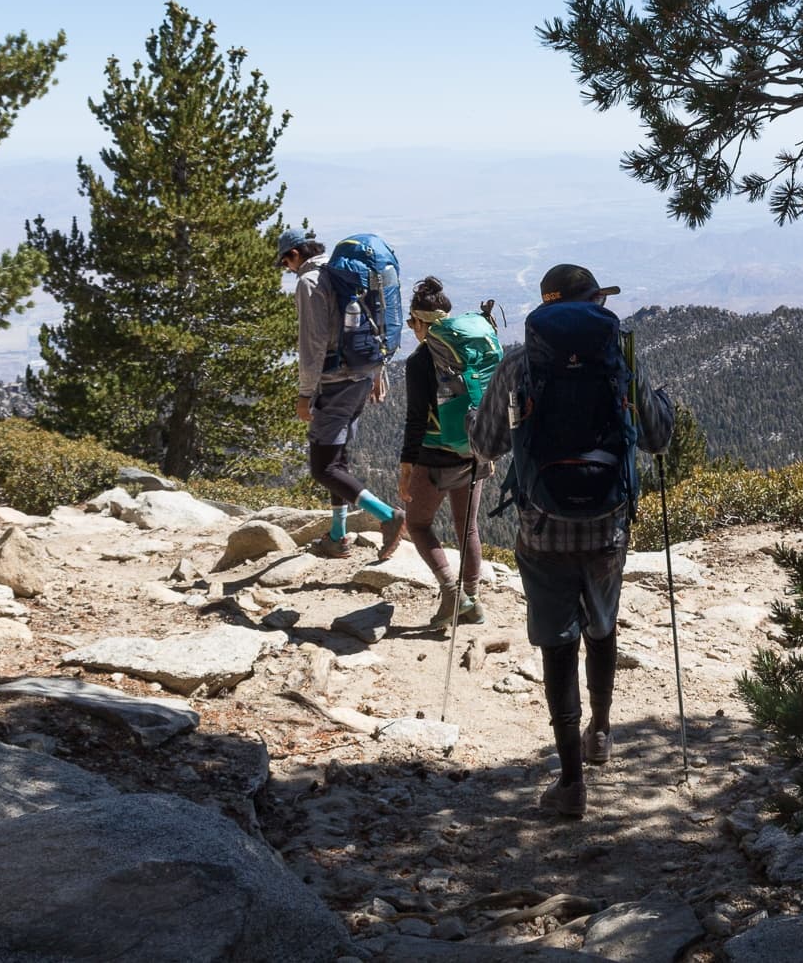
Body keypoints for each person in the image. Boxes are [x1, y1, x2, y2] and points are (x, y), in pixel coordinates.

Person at [468, 263, 673, 819]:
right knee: (601, 624)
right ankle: (601, 730)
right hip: (607, 524)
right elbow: (657, 438)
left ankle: (570, 783)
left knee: (557, 644)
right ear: (589, 304)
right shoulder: (621, 360)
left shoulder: (519, 363)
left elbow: (484, 444)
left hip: (540, 526)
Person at [278, 226, 405, 558]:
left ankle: (388, 517)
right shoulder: (344, 272)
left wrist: (306, 393)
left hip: (336, 381)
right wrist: (378, 372)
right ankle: (338, 536)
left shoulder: (310, 282)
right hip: (361, 375)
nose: (287, 271)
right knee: (339, 459)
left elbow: (313, 343)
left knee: (324, 467)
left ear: (294, 255)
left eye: (285, 264)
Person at [400, 277, 499, 633]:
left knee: (418, 523)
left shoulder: (420, 361)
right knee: (466, 527)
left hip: (435, 455)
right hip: (475, 450)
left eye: (412, 322)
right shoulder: (470, 349)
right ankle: (471, 599)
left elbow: (415, 420)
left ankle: (451, 590)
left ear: (422, 322)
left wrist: (406, 467)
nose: (411, 329)